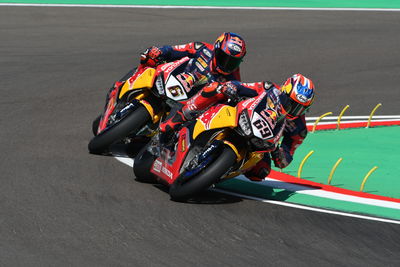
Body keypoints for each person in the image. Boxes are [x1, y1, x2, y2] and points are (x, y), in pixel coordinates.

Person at [160, 73, 315, 181]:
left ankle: (218, 174)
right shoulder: (269, 89)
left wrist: (280, 154)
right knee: (214, 88)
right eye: (291, 103)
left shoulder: (299, 129)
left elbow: (286, 157)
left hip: (261, 141)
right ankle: (178, 119)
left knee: (261, 172)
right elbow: (243, 87)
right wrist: (231, 88)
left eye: (299, 108)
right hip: (240, 117)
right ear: (284, 91)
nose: (293, 109)